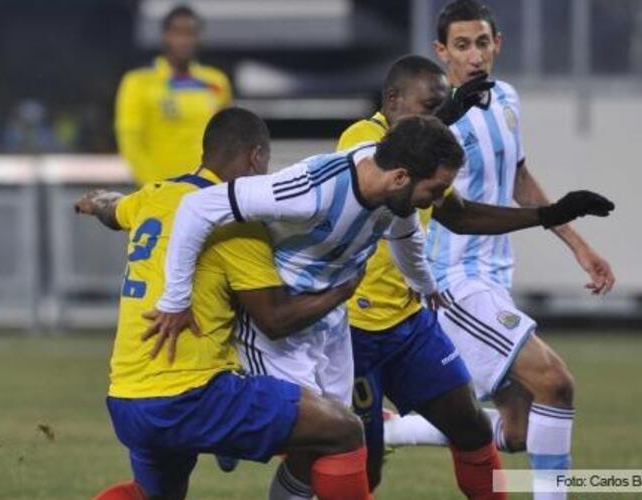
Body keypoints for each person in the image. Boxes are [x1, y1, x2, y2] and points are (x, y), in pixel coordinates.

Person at [150, 114, 511, 499]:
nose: (438, 202)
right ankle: (233, 440)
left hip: (332, 323)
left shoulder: (394, 190)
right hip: (280, 332)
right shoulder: (312, 189)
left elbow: (406, 236)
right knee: (324, 438)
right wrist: (175, 299)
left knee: (334, 443)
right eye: (435, 190)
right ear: (401, 177)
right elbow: (198, 207)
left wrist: (425, 286)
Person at [336, 54, 614, 492]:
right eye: (429, 108)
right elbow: (383, 166)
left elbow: (461, 215)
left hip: (410, 323)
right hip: (354, 330)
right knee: (363, 469)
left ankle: (391, 431)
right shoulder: (360, 137)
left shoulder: (425, 158)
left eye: (441, 107)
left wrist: (548, 215)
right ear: (392, 100)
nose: (438, 118)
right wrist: (447, 116)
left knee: (475, 430)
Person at [79, 108, 372, 500]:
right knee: (342, 431)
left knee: (153, 495)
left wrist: (97, 201)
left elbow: (113, 210)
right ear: (255, 157)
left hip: (127, 397)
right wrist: (341, 291)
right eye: (265, 164)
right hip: (191, 395)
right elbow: (275, 320)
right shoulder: (236, 223)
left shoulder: (154, 195)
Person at [115, 5, 232, 184]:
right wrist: (155, 187)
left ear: (198, 38)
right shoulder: (138, 82)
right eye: (178, 33)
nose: (184, 41)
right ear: (165, 36)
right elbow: (130, 142)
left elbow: (226, 138)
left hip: (206, 189)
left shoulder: (217, 81)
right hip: (161, 188)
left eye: (190, 33)